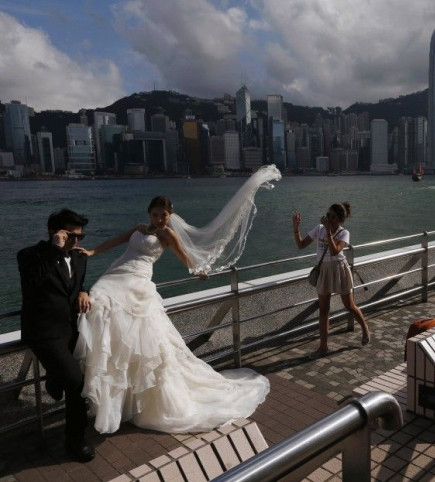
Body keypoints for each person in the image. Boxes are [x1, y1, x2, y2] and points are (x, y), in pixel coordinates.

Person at [73, 164, 281, 434]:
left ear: (170, 216)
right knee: (100, 306)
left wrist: (197, 270)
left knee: (139, 337)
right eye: (156, 214)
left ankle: (134, 397)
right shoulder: (139, 228)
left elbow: (184, 256)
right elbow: (116, 242)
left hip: (137, 283)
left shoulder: (167, 234)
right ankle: (118, 393)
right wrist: (91, 251)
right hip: (117, 274)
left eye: (164, 215)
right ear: (150, 213)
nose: (160, 219)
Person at [17, 209, 95, 462]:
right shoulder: (30, 255)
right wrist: (54, 250)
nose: (75, 242)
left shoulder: (80, 258)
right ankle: (75, 441)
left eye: (79, 237)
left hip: (69, 330)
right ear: (54, 232)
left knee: (76, 375)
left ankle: (54, 378)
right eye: (70, 236)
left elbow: (75, 284)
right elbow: (33, 283)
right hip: (42, 332)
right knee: (76, 382)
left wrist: (83, 291)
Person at [292, 202, 370, 358]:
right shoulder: (319, 229)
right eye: (328, 215)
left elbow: (335, 251)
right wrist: (296, 228)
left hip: (339, 269)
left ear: (340, 219)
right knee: (323, 310)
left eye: (333, 217)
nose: (329, 219)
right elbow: (301, 245)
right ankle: (323, 347)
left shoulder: (343, 233)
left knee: (349, 305)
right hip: (324, 270)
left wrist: (328, 232)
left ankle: (365, 329)